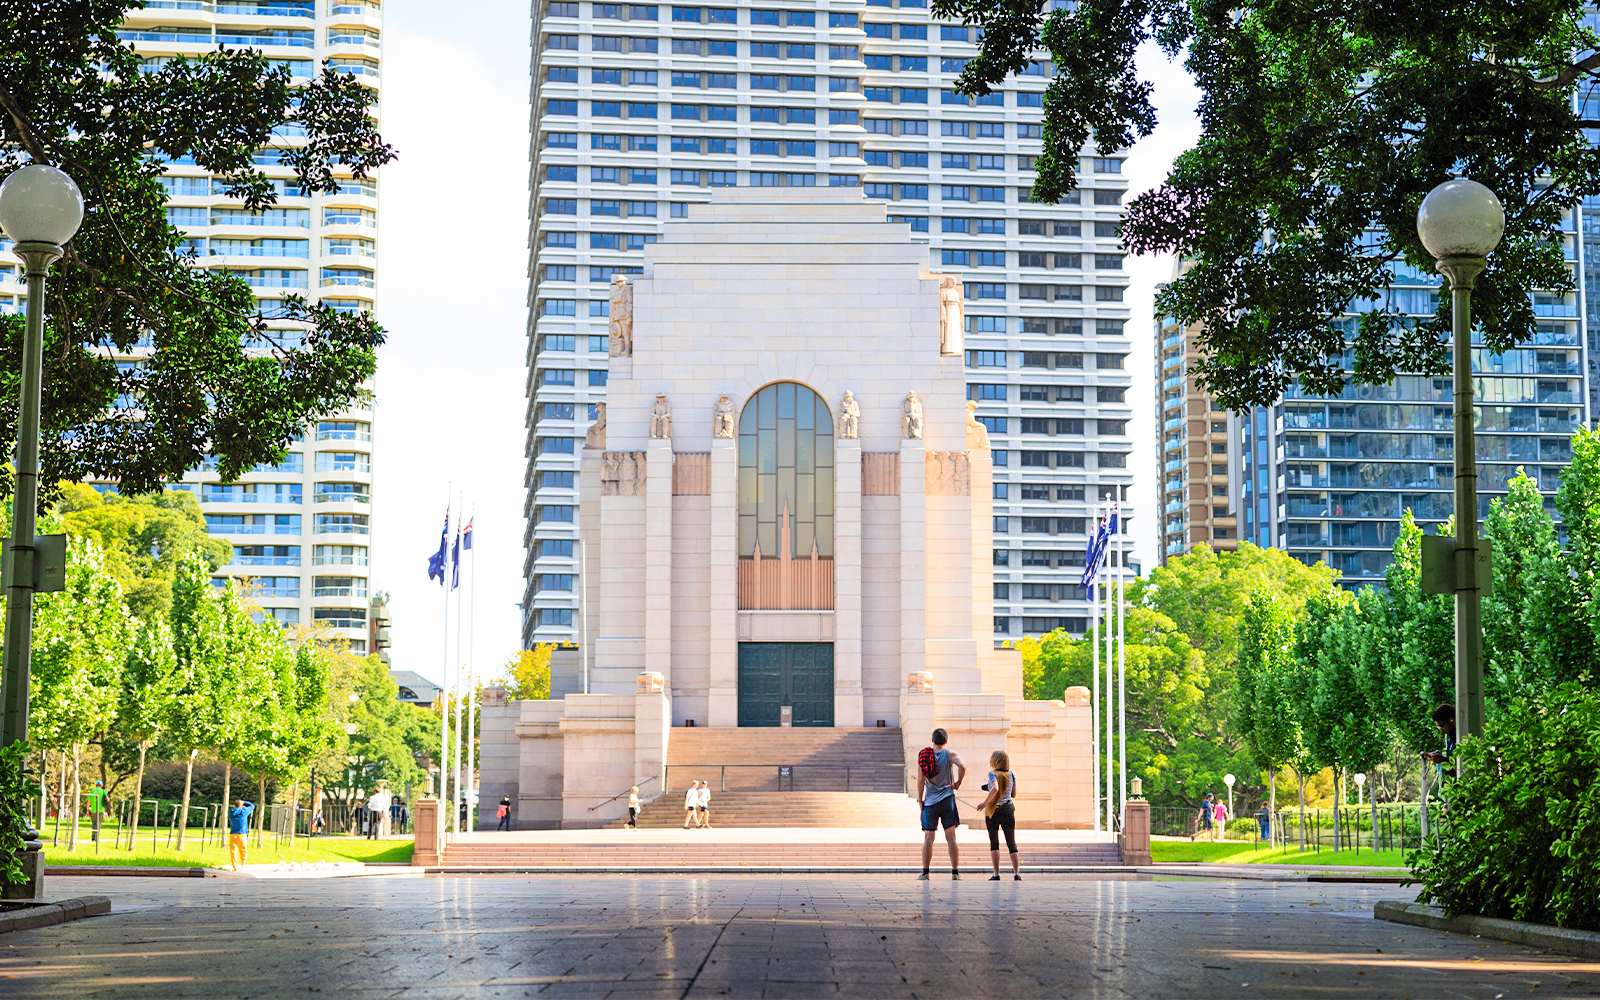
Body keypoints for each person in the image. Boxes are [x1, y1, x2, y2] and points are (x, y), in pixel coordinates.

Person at [916, 727, 965, 880]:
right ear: (946, 741)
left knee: (928, 838)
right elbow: (963, 766)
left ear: (932, 740)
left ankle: (925, 873)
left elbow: (920, 780)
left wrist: (920, 800)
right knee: (951, 837)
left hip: (930, 801)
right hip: (947, 799)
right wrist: (958, 782)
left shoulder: (924, 756)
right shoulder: (950, 754)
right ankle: (955, 873)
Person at [979, 750, 1020, 881]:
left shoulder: (992, 774)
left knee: (994, 842)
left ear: (994, 761)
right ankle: (1016, 873)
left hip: (993, 811)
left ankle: (996, 874)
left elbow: (995, 788)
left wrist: (985, 803)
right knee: (1011, 842)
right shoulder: (1011, 774)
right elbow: (1013, 794)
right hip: (1008, 809)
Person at [227, 799, 254, 871]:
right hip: (242, 834)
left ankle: (235, 867)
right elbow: (252, 806)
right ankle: (242, 866)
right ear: (241, 805)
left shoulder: (231, 813)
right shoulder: (244, 812)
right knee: (243, 850)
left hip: (233, 834)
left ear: (234, 805)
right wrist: (244, 802)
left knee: (233, 851)